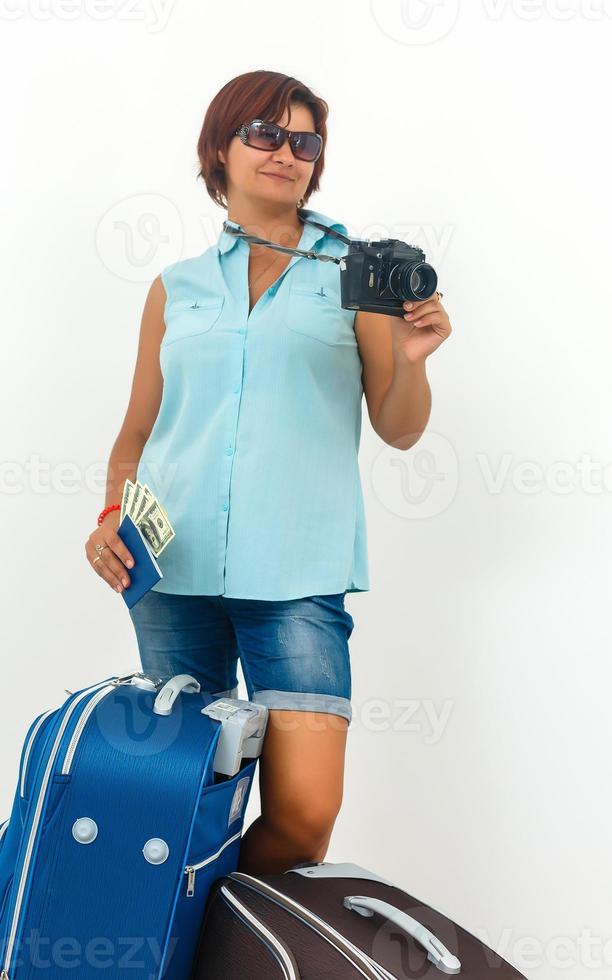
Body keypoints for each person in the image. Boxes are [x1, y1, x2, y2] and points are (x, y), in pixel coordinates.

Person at [84, 70, 452, 874]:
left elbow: (398, 427)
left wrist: (413, 360)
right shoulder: (173, 289)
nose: (286, 153)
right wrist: (112, 512)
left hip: (297, 575)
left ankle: (225, 945)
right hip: (171, 573)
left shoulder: (356, 277)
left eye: (304, 141)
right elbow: (138, 431)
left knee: (304, 812)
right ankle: (173, 944)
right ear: (220, 149)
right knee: (178, 807)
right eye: (264, 134)